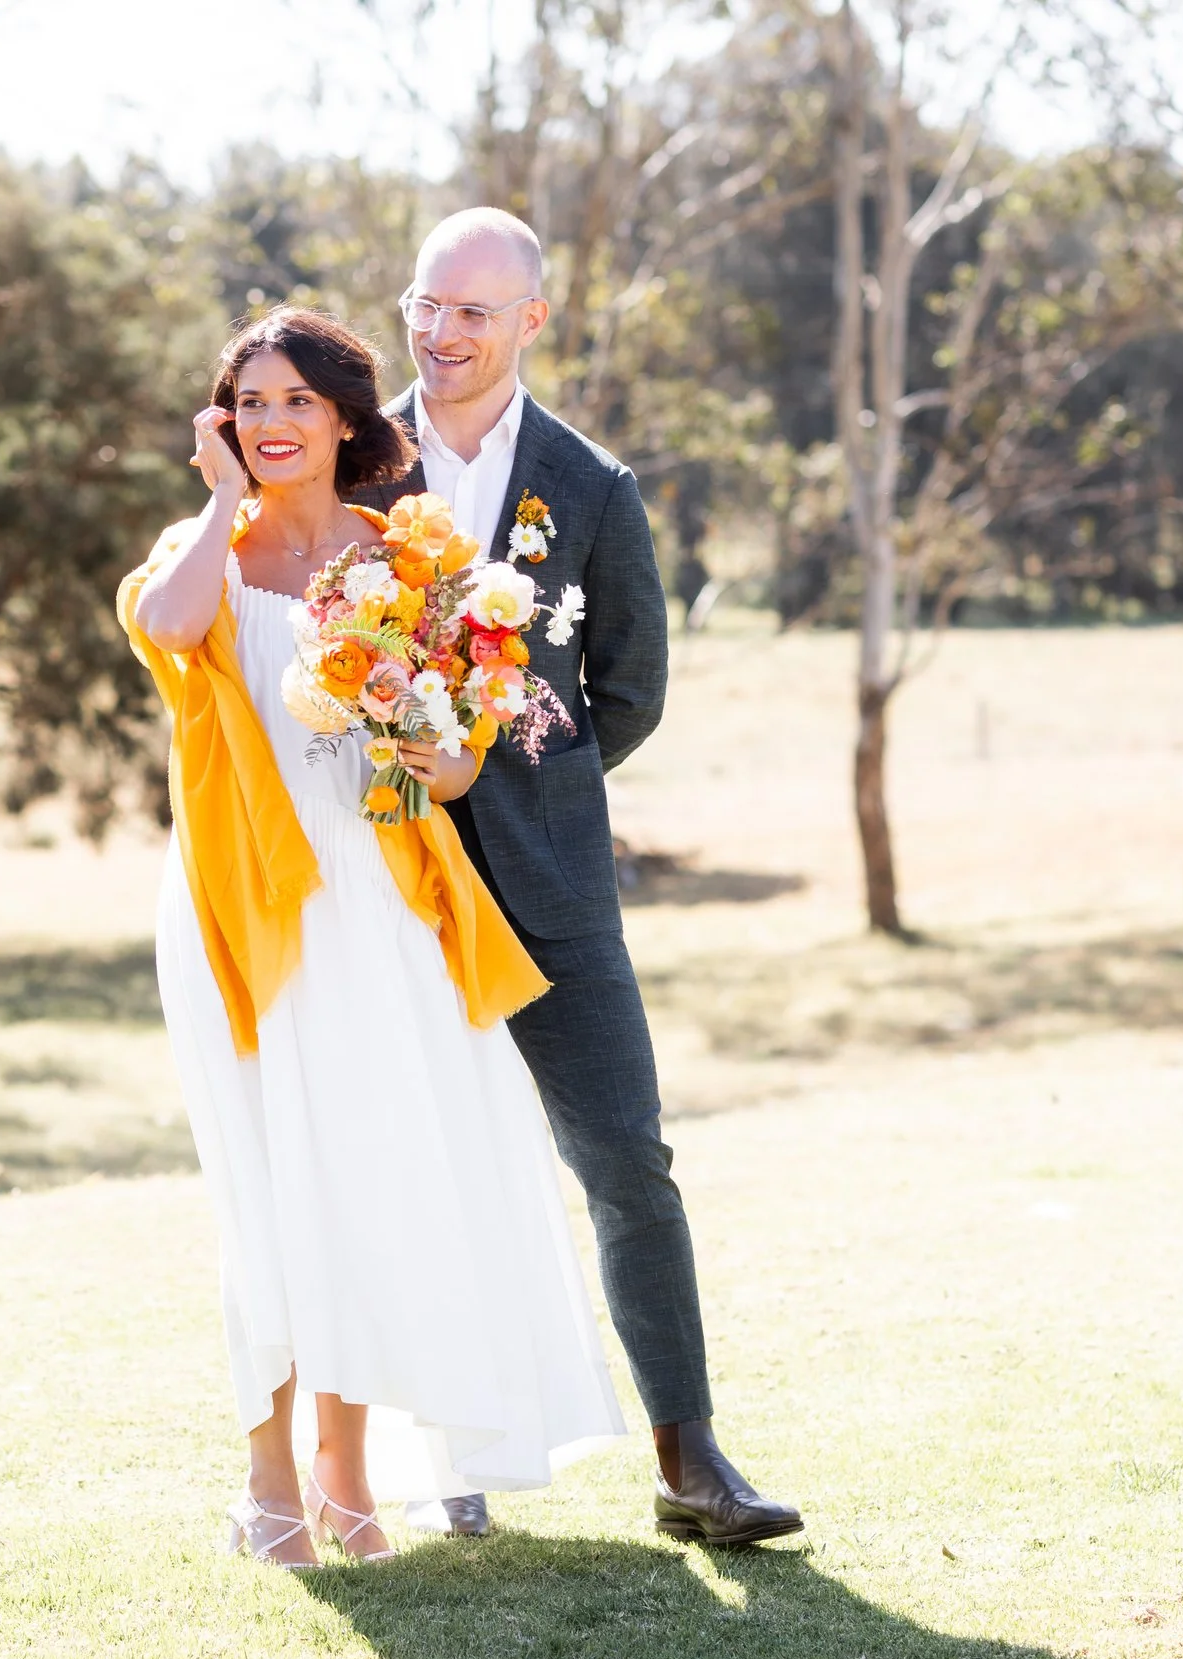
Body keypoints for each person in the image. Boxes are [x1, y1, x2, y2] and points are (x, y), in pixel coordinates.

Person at [122, 307, 625, 1566]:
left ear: (348, 418)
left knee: (362, 1180)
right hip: (246, 905)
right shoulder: (201, 552)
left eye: (295, 401)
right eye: (247, 402)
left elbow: (455, 768)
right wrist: (219, 498)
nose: (271, 422)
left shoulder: (406, 558)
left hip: (383, 900)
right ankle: (266, 1486)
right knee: (271, 1188)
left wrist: (412, 724)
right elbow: (172, 629)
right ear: (222, 426)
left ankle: (348, 1486)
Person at [353, 207, 802, 1547]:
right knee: (405, 1158)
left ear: (532, 321)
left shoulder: (592, 486)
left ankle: (690, 1458)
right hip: (383, 869)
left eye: (472, 313)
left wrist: (507, 751)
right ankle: (450, 1461)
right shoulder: (351, 454)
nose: (440, 334)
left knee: (625, 1153)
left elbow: (634, 692)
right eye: (424, 306)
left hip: (552, 875)